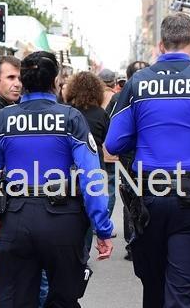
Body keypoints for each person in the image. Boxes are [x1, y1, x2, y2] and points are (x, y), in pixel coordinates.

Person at [105, 13, 190, 306]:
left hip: (147, 197)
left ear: (161, 44)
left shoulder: (138, 83)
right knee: (181, 290)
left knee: (153, 286)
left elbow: (114, 143)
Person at [0, 51, 113, 306]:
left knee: (16, 300)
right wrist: (102, 228)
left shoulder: (3, 120)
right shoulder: (71, 118)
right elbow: (92, 177)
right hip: (63, 222)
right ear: (55, 81)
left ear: (24, 82)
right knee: (63, 299)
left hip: (16, 220)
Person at [105, 60, 150, 260]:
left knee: (131, 196)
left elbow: (109, 125)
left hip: (132, 154)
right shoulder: (148, 94)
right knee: (141, 194)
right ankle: (138, 241)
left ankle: (134, 242)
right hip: (143, 154)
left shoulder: (120, 97)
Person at [64, 71, 110, 257]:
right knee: (90, 207)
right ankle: (84, 251)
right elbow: (109, 140)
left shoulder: (65, 112)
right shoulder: (100, 114)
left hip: (68, 166)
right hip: (95, 163)